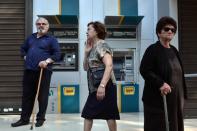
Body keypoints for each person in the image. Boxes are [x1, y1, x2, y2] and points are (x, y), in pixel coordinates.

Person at [140, 16, 187, 131]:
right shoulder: (152, 49)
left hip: (175, 100)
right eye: (166, 29)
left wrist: (183, 94)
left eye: (173, 30)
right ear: (158, 32)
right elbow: (145, 70)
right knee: (159, 126)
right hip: (158, 101)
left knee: (175, 126)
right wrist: (160, 83)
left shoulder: (174, 50)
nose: (170, 31)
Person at [11, 17, 60, 127]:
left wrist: (46, 61)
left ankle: (40, 119)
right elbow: (23, 49)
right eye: (38, 24)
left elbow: (56, 55)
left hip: (43, 71)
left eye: (43, 23)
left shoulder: (51, 39)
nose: (41, 25)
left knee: (42, 96)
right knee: (27, 96)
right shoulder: (31, 38)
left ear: (48, 26)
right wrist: (25, 57)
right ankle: (24, 119)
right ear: (36, 25)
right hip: (29, 70)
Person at [82, 21, 120, 131]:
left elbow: (109, 65)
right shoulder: (91, 47)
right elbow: (85, 68)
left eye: (89, 29)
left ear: (97, 31)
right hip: (95, 86)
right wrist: (86, 53)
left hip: (106, 86)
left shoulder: (102, 45)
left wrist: (102, 86)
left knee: (108, 114)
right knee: (89, 113)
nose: (87, 31)